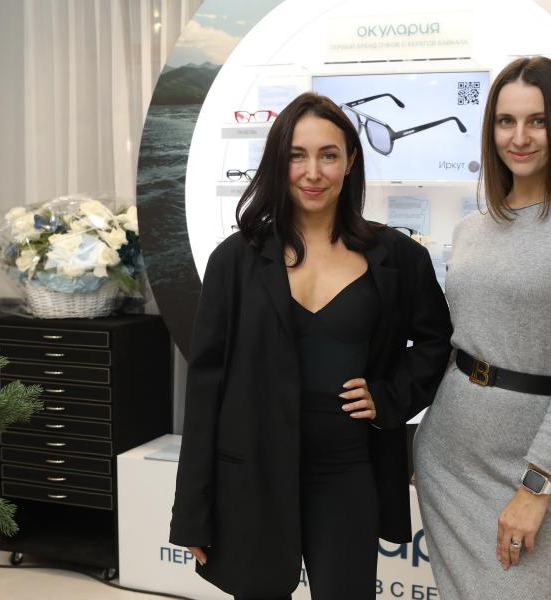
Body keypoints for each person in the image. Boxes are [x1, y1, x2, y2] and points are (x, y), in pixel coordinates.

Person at [169, 92, 452, 600]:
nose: (313, 172)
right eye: (297, 155)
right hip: (253, 471)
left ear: (351, 160)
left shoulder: (398, 257)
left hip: (348, 470)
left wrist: (389, 397)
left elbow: (435, 342)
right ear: (279, 162)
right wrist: (192, 511)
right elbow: (206, 389)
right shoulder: (234, 261)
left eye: (328, 155)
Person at [413, 56, 551, 599]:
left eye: (537, 121)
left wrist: (537, 484)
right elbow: (456, 341)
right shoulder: (472, 228)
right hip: (447, 454)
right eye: (505, 121)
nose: (520, 137)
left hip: (528, 469)